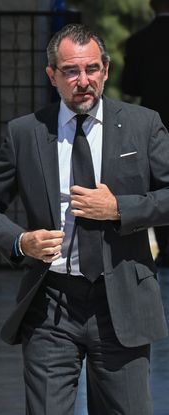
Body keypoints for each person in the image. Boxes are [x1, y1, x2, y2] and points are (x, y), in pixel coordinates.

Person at [0, 23, 169, 414]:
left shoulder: (143, 125)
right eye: (71, 71)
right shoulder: (25, 132)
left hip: (121, 301)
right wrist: (20, 241)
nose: (83, 81)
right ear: (52, 76)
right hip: (51, 304)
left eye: (92, 69)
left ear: (106, 70)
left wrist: (120, 208)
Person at [122, 0, 169, 267]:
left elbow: (130, 85)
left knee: (161, 184)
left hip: (156, 122)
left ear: (152, 5)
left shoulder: (139, 41)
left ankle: (165, 248)